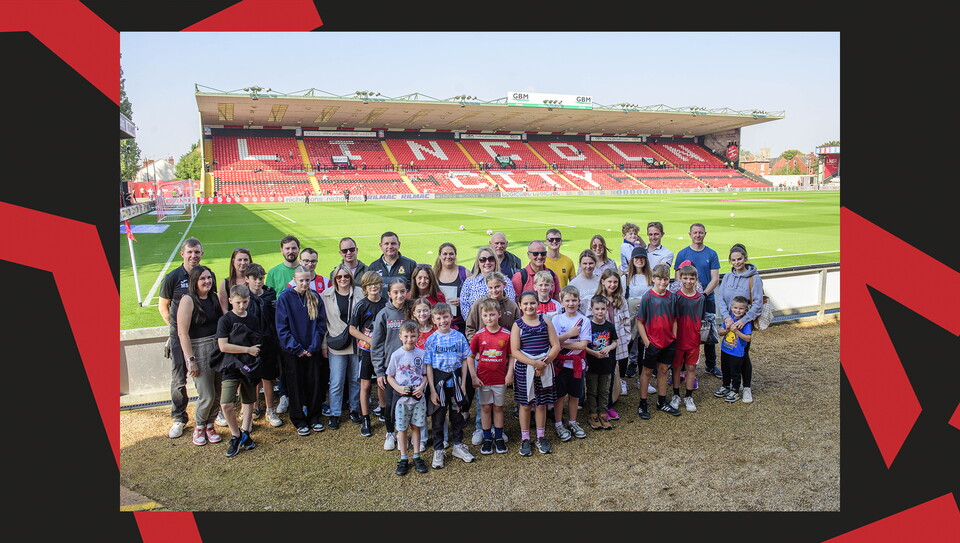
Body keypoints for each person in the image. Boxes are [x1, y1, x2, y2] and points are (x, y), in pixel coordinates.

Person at [462, 271, 519, 445]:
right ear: (486, 287)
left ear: (504, 286)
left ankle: (498, 430)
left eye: (497, 286)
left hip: (504, 357)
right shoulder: (480, 304)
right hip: (483, 356)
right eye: (491, 287)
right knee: (483, 399)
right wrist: (477, 348)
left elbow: (517, 329)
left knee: (499, 398)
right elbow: (470, 327)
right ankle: (482, 428)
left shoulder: (511, 306)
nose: (494, 290)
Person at [158, 238, 203, 439]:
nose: (194, 255)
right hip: (179, 337)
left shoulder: (205, 274)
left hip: (201, 336)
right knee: (179, 378)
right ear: (182, 254)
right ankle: (179, 418)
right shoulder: (172, 278)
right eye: (190, 252)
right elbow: (163, 307)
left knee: (207, 375)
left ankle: (211, 413)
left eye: (197, 252)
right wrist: (176, 329)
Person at [275, 265, 328, 436]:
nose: (305, 283)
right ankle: (299, 419)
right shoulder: (285, 298)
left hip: (312, 350)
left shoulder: (315, 298)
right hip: (293, 352)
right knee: (295, 385)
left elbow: (321, 325)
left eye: (307, 280)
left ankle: (314, 417)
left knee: (314, 383)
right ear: (295, 280)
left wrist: (313, 347)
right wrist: (297, 348)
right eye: (301, 280)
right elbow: (282, 327)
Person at [176, 265, 225, 446]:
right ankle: (199, 426)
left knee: (217, 392)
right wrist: (191, 360)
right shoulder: (188, 300)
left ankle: (210, 425)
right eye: (202, 278)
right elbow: (183, 333)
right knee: (207, 394)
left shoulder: (213, 298)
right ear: (194, 281)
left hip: (217, 348)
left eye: (209, 278)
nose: (207, 281)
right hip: (199, 349)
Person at [423, 303, 475, 468]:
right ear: (433, 320)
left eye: (445, 317)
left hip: (456, 380)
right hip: (439, 382)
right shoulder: (432, 340)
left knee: (457, 413)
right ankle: (438, 449)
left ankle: (458, 444)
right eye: (438, 318)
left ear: (451, 317)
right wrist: (432, 389)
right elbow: (429, 366)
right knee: (438, 416)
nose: (443, 320)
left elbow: (465, 359)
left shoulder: (459, 336)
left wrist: (463, 384)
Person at [511, 290, 560, 456]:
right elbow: (515, 351)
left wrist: (544, 364)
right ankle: (525, 439)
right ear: (520, 306)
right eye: (525, 303)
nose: (529, 306)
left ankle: (540, 436)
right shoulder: (517, 325)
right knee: (525, 404)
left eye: (532, 303)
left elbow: (555, 346)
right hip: (525, 369)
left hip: (544, 368)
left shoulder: (546, 321)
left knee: (541, 404)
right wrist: (534, 364)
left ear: (538, 304)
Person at [715, 243, 765, 404]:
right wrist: (727, 318)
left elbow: (758, 303)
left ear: (745, 259)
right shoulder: (728, 277)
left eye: (739, 259)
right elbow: (721, 298)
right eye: (734, 260)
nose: (737, 262)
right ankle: (728, 385)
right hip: (729, 322)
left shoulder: (754, 278)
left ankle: (746, 388)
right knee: (728, 354)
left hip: (744, 323)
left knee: (743, 355)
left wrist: (743, 321)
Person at [465, 298, 514, 455]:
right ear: (481, 316)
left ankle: (498, 437)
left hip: (500, 379)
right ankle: (487, 438)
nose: (489, 318)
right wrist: (473, 376)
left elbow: (512, 356)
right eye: (485, 315)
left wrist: (509, 374)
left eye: (492, 315)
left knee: (498, 407)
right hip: (483, 379)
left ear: (499, 314)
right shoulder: (479, 336)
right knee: (485, 408)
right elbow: (470, 357)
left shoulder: (507, 335)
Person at [215, 285, 259, 457]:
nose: (242, 306)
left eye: (245, 302)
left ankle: (246, 432)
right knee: (226, 403)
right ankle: (236, 434)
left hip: (249, 366)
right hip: (231, 365)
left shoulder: (253, 319)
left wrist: (252, 353)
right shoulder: (225, 320)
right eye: (238, 302)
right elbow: (223, 346)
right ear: (231, 301)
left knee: (249, 400)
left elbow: (257, 341)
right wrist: (246, 350)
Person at [371, 278, 415, 451]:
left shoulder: (410, 310)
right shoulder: (383, 314)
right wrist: (379, 371)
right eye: (395, 292)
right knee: (390, 404)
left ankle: (406, 434)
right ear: (389, 294)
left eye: (402, 291)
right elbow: (376, 345)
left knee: (410, 403)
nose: (399, 295)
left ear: (407, 292)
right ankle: (390, 432)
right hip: (391, 369)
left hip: (411, 368)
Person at [675, 223, 722, 378]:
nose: (698, 235)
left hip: (706, 299)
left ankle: (711, 365)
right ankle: (682, 368)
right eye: (695, 233)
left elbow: (715, 279)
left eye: (700, 232)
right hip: (686, 300)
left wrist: (702, 295)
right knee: (684, 331)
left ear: (705, 234)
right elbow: (678, 278)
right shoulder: (682, 253)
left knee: (708, 331)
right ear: (690, 234)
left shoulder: (711, 253)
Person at [636, 263, 681, 419]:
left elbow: (675, 319)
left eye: (666, 279)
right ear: (653, 279)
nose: (663, 282)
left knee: (663, 370)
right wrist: (647, 341)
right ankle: (642, 403)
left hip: (668, 342)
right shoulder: (647, 297)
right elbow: (640, 321)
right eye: (660, 279)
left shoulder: (672, 298)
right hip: (652, 342)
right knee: (647, 371)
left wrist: (673, 336)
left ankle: (661, 401)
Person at [320, 264, 363, 430]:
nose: (343, 279)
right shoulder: (326, 295)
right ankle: (335, 413)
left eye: (346, 276)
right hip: (337, 344)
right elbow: (323, 323)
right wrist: (324, 345)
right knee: (337, 381)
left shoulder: (359, 292)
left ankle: (354, 409)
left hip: (356, 343)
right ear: (334, 279)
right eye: (339, 277)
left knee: (354, 379)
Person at [386, 320, 429, 476]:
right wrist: (398, 388)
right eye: (406, 336)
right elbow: (390, 376)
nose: (410, 339)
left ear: (418, 336)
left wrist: (422, 386)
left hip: (417, 398)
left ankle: (417, 456)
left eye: (413, 336)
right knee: (402, 429)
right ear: (400, 336)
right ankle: (403, 458)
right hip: (402, 400)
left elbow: (425, 375)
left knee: (416, 427)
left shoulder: (422, 354)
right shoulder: (396, 355)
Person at [242, 264, 283, 428]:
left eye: (261, 278)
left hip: (269, 341)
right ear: (247, 279)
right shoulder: (243, 296)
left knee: (268, 377)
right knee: (251, 377)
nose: (258, 282)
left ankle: (270, 409)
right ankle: (252, 408)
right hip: (250, 342)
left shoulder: (270, 293)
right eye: (254, 278)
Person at [349, 271, 388, 437]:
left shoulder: (386, 303)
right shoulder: (361, 305)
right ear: (364, 287)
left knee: (382, 382)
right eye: (370, 284)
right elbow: (352, 329)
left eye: (376, 283)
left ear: (381, 285)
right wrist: (369, 340)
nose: (374, 287)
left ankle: (384, 410)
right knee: (365, 385)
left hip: (383, 352)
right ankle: (365, 418)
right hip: (366, 351)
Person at [550, 286, 592, 442]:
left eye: (574, 300)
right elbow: (552, 341)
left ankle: (573, 421)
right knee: (559, 396)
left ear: (579, 301)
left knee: (574, 395)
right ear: (561, 302)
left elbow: (582, 345)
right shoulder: (556, 319)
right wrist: (568, 336)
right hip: (560, 365)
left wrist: (561, 342)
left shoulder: (584, 320)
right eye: (567, 300)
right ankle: (559, 423)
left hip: (576, 364)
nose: (571, 303)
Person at [595, 268, 630, 420]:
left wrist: (625, 339)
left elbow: (627, 322)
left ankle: (607, 405)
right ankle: (595, 405)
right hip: (599, 344)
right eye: (609, 281)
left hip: (616, 343)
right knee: (597, 375)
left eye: (615, 282)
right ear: (603, 281)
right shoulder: (596, 299)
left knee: (610, 375)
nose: (612, 284)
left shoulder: (621, 300)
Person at [670, 264, 705, 413]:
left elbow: (701, 318)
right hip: (678, 340)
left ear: (696, 279)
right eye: (685, 278)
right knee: (677, 368)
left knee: (691, 368)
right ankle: (676, 395)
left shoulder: (700, 298)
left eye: (692, 278)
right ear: (680, 278)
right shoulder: (676, 297)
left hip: (693, 340)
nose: (688, 281)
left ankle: (689, 396)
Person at [584, 295, 617, 430]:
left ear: (607, 309)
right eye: (597, 309)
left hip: (606, 364)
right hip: (592, 364)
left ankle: (603, 413)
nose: (600, 312)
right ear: (591, 309)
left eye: (603, 309)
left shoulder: (610, 326)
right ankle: (592, 413)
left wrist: (609, 347)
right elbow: (583, 345)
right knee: (592, 390)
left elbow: (615, 342)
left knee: (604, 390)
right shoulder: (588, 325)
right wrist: (594, 353)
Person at [623, 246, 654, 383]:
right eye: (637, 258)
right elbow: (622, 298)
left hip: (647, 315)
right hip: (630, 315)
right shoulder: (626, 278)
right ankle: (622, 379)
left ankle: (642, 379)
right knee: (627, 345)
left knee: (643, 347)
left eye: (642, 257)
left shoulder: (651, 277)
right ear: (632, 260)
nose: (639, 260)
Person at [460, 246, 517, 319]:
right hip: (477, 327)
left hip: (500, 326)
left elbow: (510, 305)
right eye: (482, 259)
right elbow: (464, 307)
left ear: (496, 261)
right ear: (478, 262)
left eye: (491, 259)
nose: (487, 262)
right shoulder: (469, 282)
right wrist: (474, 324)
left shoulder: (506, 281)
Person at [715, 296, 753, 403]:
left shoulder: (745, 323)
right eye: (735, 308)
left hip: (737, 353)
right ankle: (725, 386)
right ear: (731, 308)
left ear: (746, 310)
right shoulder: (729, 319)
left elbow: (748, 338)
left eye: (741, 309)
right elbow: (720, 332)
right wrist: (727, 329)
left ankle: (735, 390)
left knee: (735, 372)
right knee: (725, 369)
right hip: (726, 350)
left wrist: (736, 332)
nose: (737, 310)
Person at [434, 242, 470, 331]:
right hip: (439, 324)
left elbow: (475, 296)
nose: (448, 256)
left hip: (461, 323)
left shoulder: (465, 273)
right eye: (445, 254)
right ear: (440, 256)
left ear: (455, 255)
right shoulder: (434, 274)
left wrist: (463, 300)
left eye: (451, 254)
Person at [218, 247, 252, 314]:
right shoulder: (225, 283)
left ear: (249, 261)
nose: (243, 263)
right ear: (233, 262)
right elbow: (224, 309)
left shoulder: (254, 281)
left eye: (245, 260)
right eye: (239, 260)